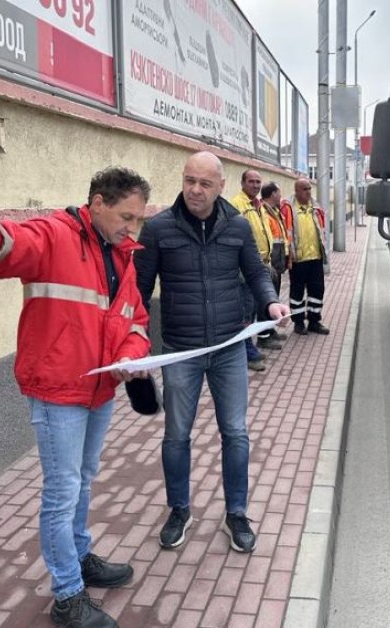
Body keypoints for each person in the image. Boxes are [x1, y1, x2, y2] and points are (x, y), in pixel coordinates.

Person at [0, 167, 152, 628]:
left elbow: (135, 319)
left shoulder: (122, 254)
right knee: (62, 490)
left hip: (100, 389)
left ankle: (80, 554)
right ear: (98, 203)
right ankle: (67, 594)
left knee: (83, 478)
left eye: (139, 220)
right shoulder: (53, 236)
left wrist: (130, 354)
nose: (132, 228)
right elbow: (1, 244)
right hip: (57, 391)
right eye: (126, 216)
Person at [135, 151, 289, 554]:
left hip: (228, 349)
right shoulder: (158, 229)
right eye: (189, 181)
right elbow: (138, 289)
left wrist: (271, 302)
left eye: (205, 183)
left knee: (235, 433)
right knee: (176, 435)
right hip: (180, 351)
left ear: (221, 186)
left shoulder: (237, 227)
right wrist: (132, 340)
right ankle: (179, 510)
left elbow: (256, 272)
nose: (195, 190)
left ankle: (236, 512)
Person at [230, 170, 282, 357]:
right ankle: (245, 351)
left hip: (260, 266)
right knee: (245, 311)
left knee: (254, 309)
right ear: (242, 183)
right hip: (245, 269)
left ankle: (254, 343)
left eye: (258, 182)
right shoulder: (237, 204)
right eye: (251, 181)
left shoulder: (258, 205)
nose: (255, 185)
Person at [281, 178, 330, 336]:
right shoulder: (288, 208)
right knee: (297, 292)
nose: (308, 192)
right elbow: (285, 233)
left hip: (315, 257)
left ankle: (314, 321)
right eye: (305, 189)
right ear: (296, 190)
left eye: (309, 188)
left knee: (317, 290)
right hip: (298, 259)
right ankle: (299, 323)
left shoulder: (315, 207)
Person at [260, 181, 289, 342]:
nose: (281, 196)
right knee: (267, 299)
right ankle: (265, 335)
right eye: (279, 193)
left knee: (274, 298)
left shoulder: (274, 211)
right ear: (272, 195)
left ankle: (270, 330)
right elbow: (268, 240)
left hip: (276, 263)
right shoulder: (264, 212)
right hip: (270, 263)